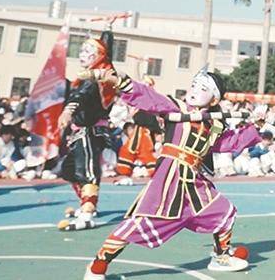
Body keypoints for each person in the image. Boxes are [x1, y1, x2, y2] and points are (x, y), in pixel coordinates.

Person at [83, 67, 261, 279]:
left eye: (203, 88)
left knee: (224, 211)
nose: (194, 90)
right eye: (194, 85)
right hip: (171, 177)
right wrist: (120, 81)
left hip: (195, 181)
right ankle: (98, 264)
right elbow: (150, 98)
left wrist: (253, 126)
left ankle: (221, 256)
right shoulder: (175, 108)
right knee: (141, 224)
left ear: (214, 100)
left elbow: (228, 143)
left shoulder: (215, 123)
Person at [57, 31, 119, 231]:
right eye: (82, 49)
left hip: (90, 130)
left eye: (87, 50)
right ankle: (87, 204)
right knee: (69, 169)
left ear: (97, 56)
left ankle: (86, 215)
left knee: (88, 172)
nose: (81, 53)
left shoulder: (95, 79)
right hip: (80, 131)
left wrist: (67, 111)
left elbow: (80, 97)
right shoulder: (87, 77)